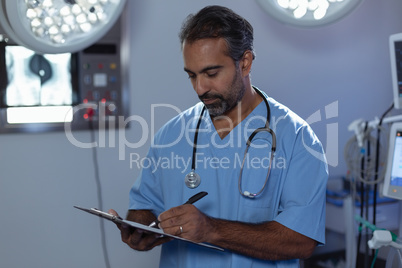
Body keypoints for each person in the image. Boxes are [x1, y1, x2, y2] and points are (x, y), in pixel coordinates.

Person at [109, 5, 328, 267]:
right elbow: (146, 206)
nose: (200, 88)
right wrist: (140, 228)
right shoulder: (171, 135)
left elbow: (302, 241)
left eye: (212, 73)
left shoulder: (297, 138)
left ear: (244, 63)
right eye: (192, 75)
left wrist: (212, 230)